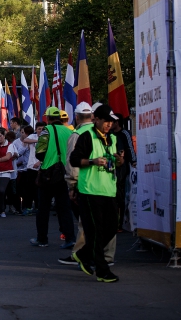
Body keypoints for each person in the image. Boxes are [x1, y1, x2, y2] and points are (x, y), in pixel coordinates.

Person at [69, 104, 124, 283]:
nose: (109, 125)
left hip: (108, 190)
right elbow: (74, 159)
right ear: (96, 119)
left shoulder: (113, 139)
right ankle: (102, 270)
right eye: (106, 121)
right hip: (90, 190)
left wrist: (120, 160)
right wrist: (92, 161)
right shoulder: (87, 136)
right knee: (96, 231)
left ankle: (84, 254)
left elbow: (119, 162)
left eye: (111, 122)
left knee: (111, 227)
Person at [59, 102, 118, 267]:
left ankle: (82, 254)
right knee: (108, 225)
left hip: (89, 186)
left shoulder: (79, 134)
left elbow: (72, 163)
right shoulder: (108, 136)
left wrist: (72, 184)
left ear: (76, 117)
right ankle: (106, 256)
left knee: (87, 223)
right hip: (108, 186)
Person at [30, 107, 76, 248]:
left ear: (48, 118)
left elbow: (40, 153)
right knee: (64, 208)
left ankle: (42, 239)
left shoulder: (46, 131)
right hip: (65, 173)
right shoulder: (70, 131)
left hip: (48, 174)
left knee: (43, 208)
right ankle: (70, 238)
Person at [112, 114, 137, 232]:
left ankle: (119, 223)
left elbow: (130, 147)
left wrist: (133, 161)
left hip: (122, 168)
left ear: (117, 122)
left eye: (112, 121)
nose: (110, 123)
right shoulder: (108, 134)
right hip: (110, 167)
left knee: (120, 194)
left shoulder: (124, 133)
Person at [0, 129, 14, 218]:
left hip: (6, 171)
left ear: (4, 136)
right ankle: (0, 209)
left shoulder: (10, 145)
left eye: (0, 136)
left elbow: (8, 157)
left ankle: (0, 208)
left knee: (2, 190)